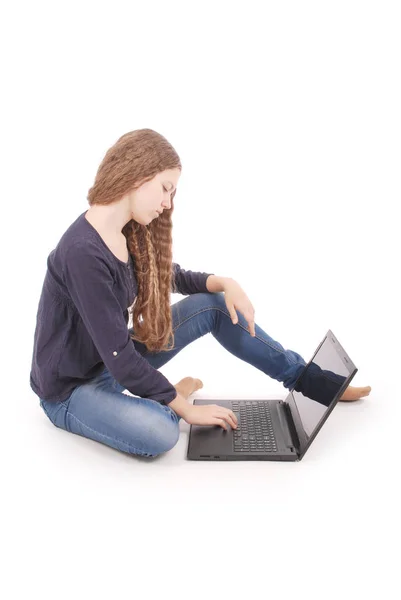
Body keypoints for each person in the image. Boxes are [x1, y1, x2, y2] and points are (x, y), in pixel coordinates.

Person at [30, 128, 371, 459]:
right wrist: (183, 409)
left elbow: (171, 277)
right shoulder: (82, 252)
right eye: (165, 189)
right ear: (137, 176)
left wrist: (225, 282)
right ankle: (170, 396)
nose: (167, 203)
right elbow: (120, 357)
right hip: (71, 390)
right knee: (161, 433)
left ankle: (308, 380)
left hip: (112, 362)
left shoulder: (127, 230)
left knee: (214, 306)